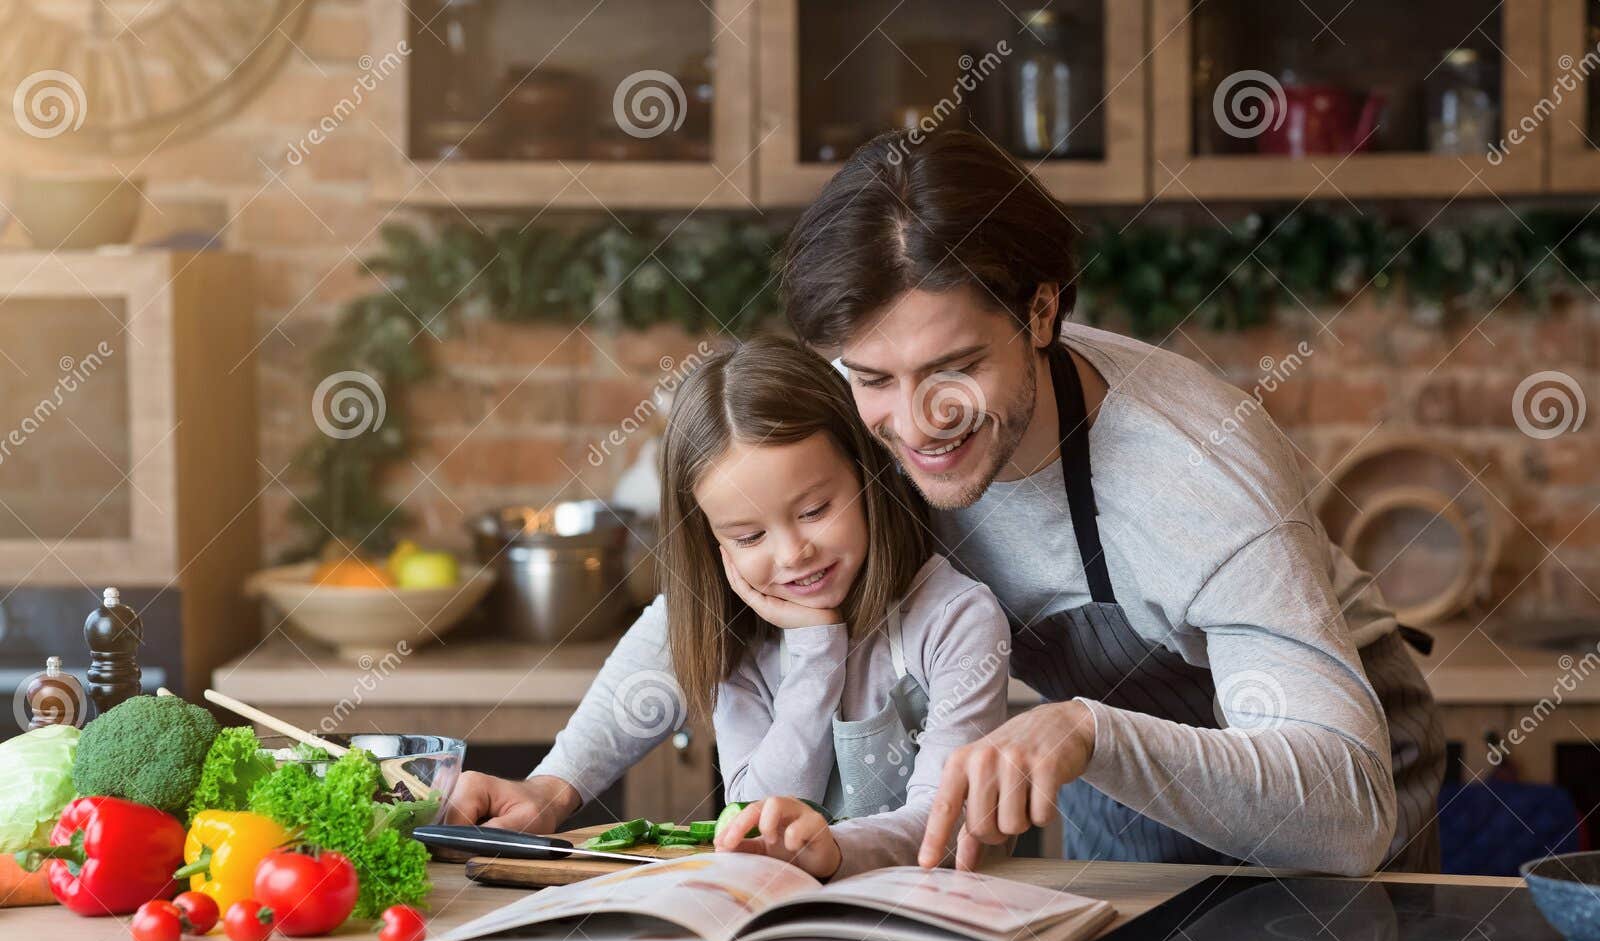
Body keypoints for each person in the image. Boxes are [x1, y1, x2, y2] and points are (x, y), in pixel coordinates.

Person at [449, 129, 1444, 878]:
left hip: (1316, 765)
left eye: (955, 369)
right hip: (1105, 759)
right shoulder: (857, 417)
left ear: (1041, 310)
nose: (916, 421)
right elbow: (708, 600)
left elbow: (1344, 810)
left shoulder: (1195, 478)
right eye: (873, 376)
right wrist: (556, 782)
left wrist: (1091, 730)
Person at [447, 335, 1011, 879]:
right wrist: (817, 649)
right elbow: (751, 821)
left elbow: (941, 825)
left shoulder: (956, 620)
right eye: (747, 536)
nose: (794, 554)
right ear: (709, 542)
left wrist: (830, 849)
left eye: (815, 510)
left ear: (867, 474)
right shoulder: (726, 619)